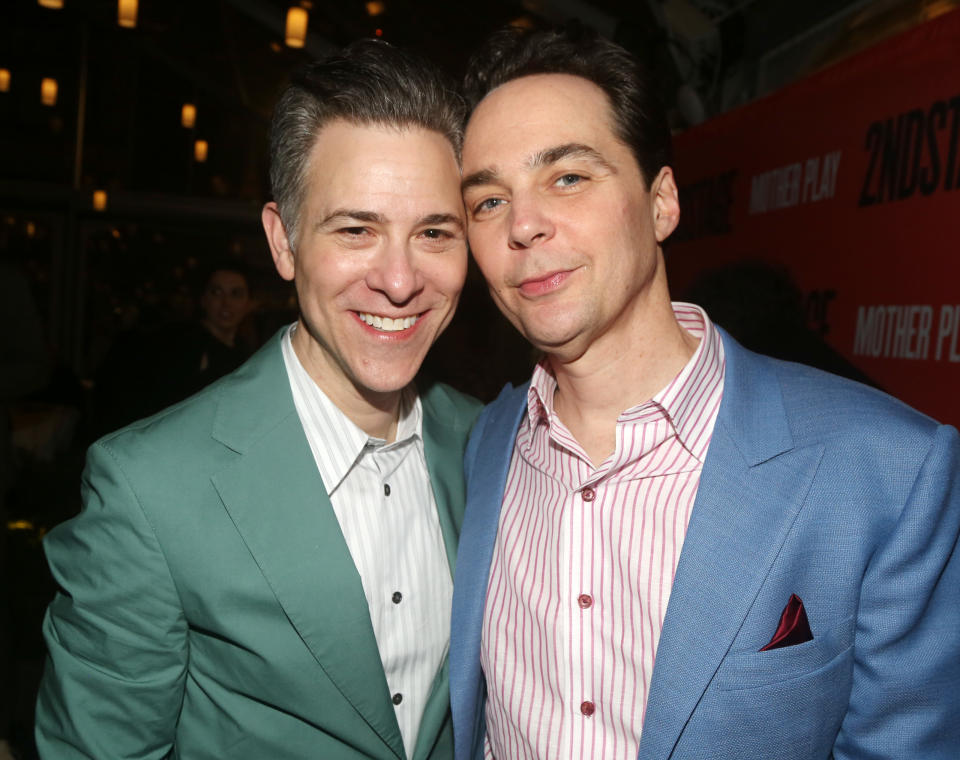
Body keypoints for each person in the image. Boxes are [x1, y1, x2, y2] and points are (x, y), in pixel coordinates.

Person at [449, 24, 960, 760]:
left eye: (567, 177)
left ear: (662, 203)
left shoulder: (886, 472)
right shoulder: (488, 442)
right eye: (488, 201)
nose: (523, 224)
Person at [36, 39, 480, 760]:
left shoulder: (491, 440)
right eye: (357, 229)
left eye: (434, 232)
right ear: (283, 241)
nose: (401, 280)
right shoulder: (150, 488)